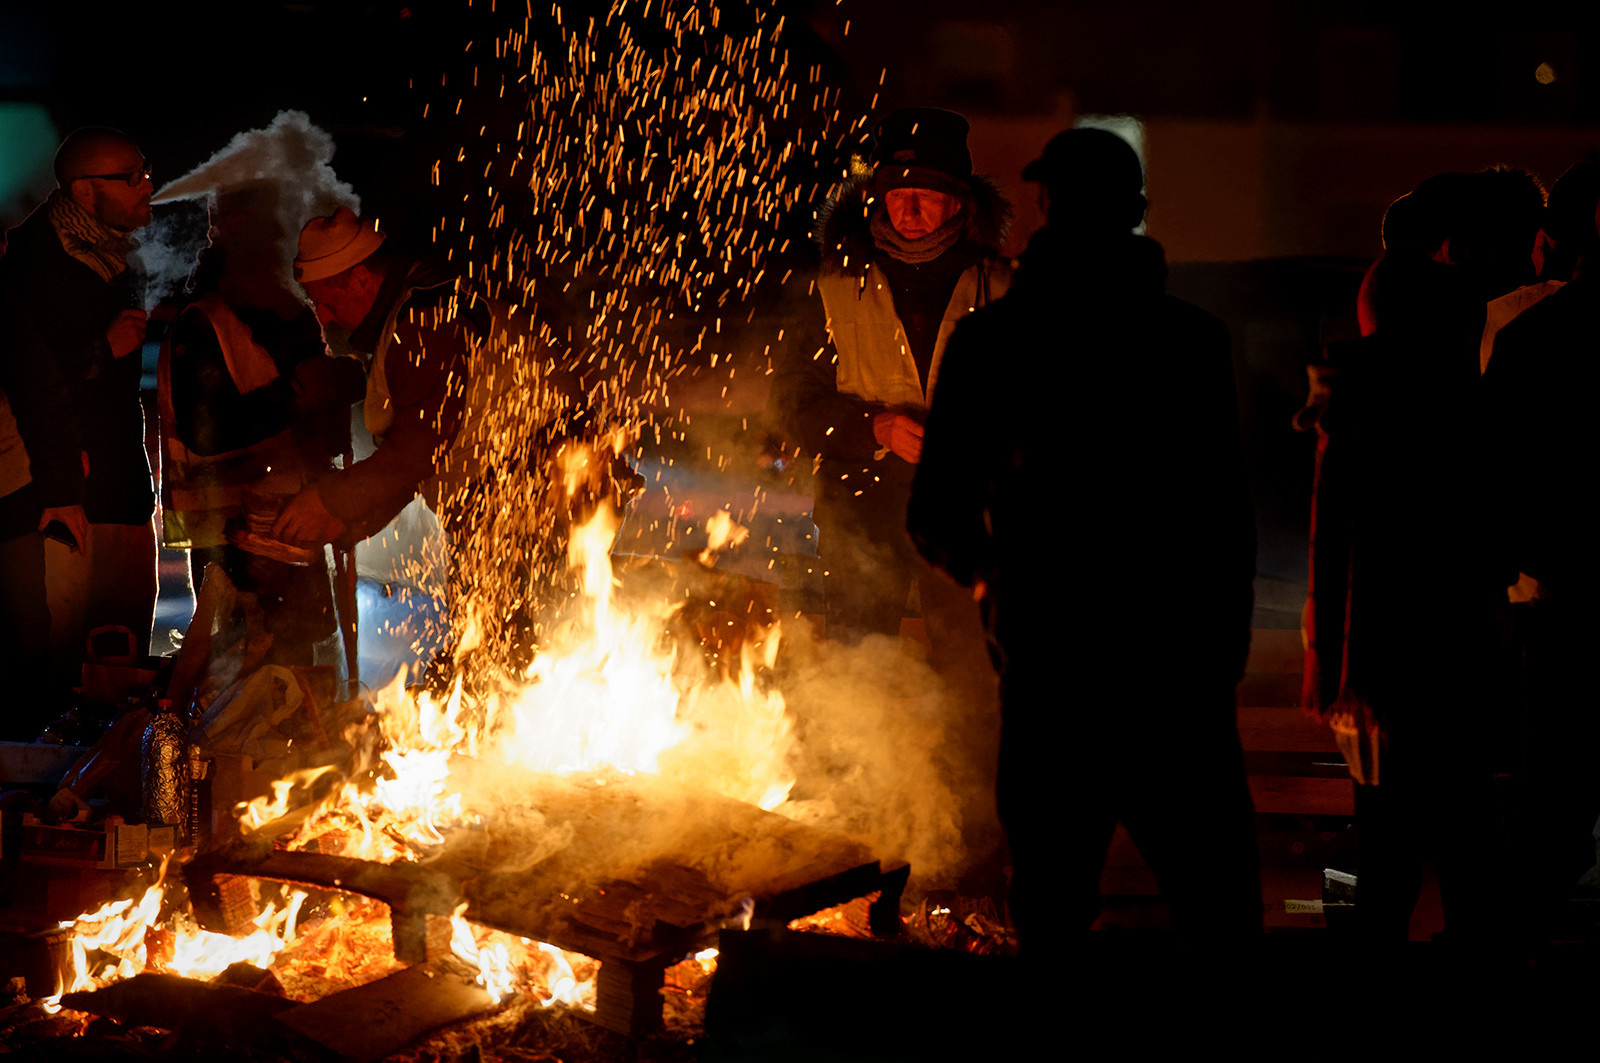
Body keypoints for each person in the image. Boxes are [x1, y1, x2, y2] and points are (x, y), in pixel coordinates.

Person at [907, 128, 1260, 948]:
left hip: (1055, 672)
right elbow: (1225, 517)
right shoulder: (1190, 341)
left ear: (1047, 206)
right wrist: (1220, 653)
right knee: (1220, 910)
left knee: (1054, 913)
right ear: (1136, 213)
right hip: (1175, 672)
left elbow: (936, 512)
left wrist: (1001, 586)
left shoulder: (995, 343)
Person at [1301, 168, 1544, 944]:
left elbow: (1335, 538)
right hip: (1447, 648)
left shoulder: (1363, 397)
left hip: (1390, 657)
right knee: (1462, 837)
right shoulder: (1465, 392)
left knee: (1392, 844)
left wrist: (1335, 667)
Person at [771, 107, 1010, 651]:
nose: (909, 209)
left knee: (971, 672)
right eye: (896, 194)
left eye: (926, 193)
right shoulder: (833, 285)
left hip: (970, 515)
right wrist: (874, 428)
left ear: (959, 201)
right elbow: (790, 403)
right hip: (860, 512)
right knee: (860, 668)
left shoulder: (999, 287)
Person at [158, 183, 365, 669]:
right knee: (244, 667)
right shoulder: (204, 321)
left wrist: (340, 381)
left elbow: (322, 379)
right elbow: (205, 430)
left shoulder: (281, 312)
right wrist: (297, 394)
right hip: (234, 536)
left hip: (290, 519)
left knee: (301, 659)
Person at [0, 127, 157, 720]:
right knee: (59, 658)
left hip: (115, 484)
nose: (149, 186)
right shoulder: (30, 261)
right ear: (86, 191)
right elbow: (27, 380)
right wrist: (102, 349)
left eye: (146, 170)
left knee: (121, 650)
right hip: (60, 492)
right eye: (133, 176)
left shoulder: (111, 251)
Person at [1480, 175, 1600, 945]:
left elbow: (1497, 480)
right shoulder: (1530, 330)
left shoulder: (1528, 332)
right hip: (1556, 590)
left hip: (1558, 598)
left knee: (1551, 800)